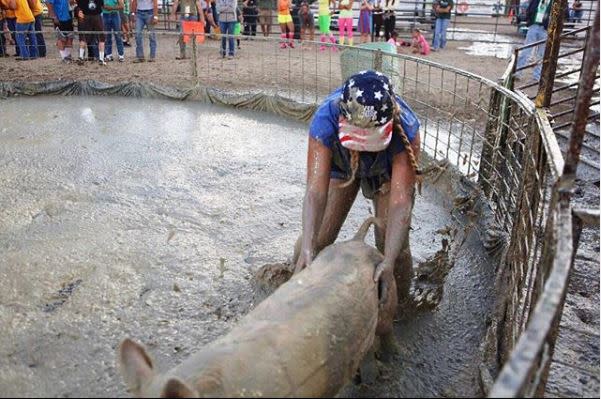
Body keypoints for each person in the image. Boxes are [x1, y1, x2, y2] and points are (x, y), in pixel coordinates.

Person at [294, 70, 421, 310]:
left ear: (390, 121)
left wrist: (390, 262)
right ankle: (295, 282)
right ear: (343, 118)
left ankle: (399, 310)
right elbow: (315, 192)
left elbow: (400, 202)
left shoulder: (407, 128)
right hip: (342, 164)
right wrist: (309, 247)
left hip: (385, 171)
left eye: (369, 138)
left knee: (393, 246)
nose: (364, 146)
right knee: (317, 238)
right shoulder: (325, 120)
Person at [515, 0, 553, 82]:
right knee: (526, 50)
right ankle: (518, 73)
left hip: (545, 29)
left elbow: (564, 13)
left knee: (541, 54)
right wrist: (529, 20)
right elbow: (530, 9)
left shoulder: (554, 2)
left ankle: (537, 76)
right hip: (534, 25)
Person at [76, 0, 106, 64]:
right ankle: (101, 59)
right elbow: (102, 4)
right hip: (97, 16)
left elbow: (77, 4)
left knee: (83, 37)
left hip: (85, 16)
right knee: (101, 38)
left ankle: (81, 57)